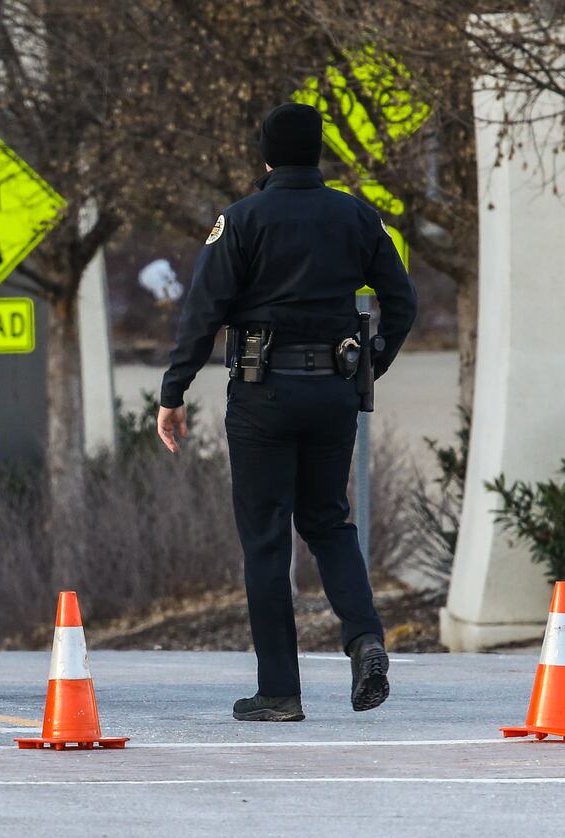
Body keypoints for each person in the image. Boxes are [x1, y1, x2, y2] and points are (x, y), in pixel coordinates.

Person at [155, 102, 417, 722]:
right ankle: (365, 638)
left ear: (266, 155)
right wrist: (367, 363)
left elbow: (203, 313)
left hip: (261, 393)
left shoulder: (241, 220)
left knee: (267, 538)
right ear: (319, 152)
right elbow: (400, 302)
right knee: (328, 521)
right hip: (334, 393)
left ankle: (279, 692)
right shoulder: (356, 214)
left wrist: (173, 392)